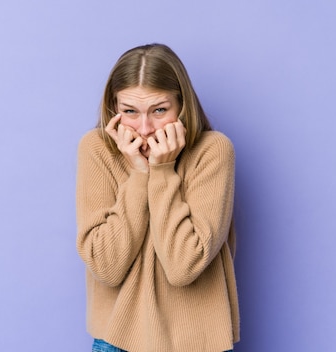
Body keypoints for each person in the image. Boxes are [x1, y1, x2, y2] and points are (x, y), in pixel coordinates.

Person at [75, 43, 239, 352]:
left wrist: (162, 171)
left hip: (199, 344)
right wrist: (139, 175)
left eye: (160, 110)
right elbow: (106, 267)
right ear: (113, 110)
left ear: (182, 106)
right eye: (129, 112)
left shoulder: (213, 151)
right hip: (116, 342)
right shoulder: (97, 149)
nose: (145, 128)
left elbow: (183, 266)